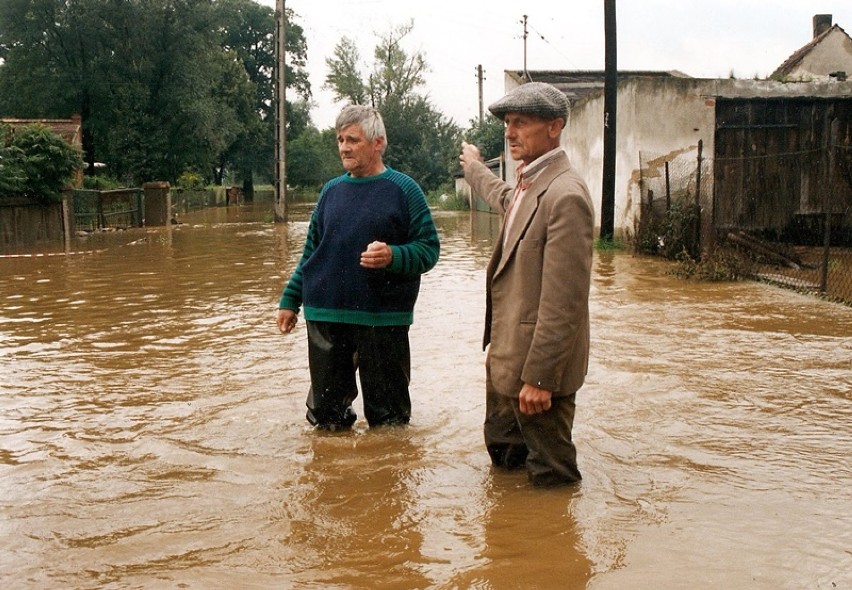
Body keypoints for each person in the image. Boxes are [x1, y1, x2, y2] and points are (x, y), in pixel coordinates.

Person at [459, 82, 594, 486]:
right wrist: (474, 168)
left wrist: (540, 378)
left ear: (555, 126)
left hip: (537, 376)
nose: (510, 132)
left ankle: (550, 547)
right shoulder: (529, 183)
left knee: (551, 478)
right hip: (506, 360)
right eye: (507, 123)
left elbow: (564, 303)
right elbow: (503, 198)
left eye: (521, 122)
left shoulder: (565, 195)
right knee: (505, 463)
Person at [276, 105, 440, 430]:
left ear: (378, 143)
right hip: (327, 315)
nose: (344, 147)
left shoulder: (405, 190)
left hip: (382, 319)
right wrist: (289, 300)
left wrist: (394, 255)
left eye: (353, 139)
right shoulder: (330, 192)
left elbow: (429, 250)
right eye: (340, 139)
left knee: (389, 422)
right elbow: (312, 252)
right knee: (327, 421)